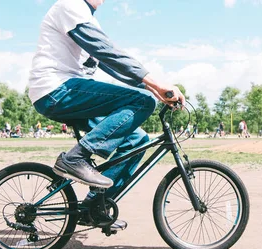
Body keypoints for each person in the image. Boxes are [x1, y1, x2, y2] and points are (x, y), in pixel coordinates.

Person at [28, 0, 184, 230]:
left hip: (71, 93)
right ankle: (75, 158)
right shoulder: (70, 6)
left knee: (137, 140)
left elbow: (109, 64)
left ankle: (94, 207)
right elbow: (107, 51)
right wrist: (154, 85)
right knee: (141, 102)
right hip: (55, 89)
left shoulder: (88, 18)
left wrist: (156, 89)